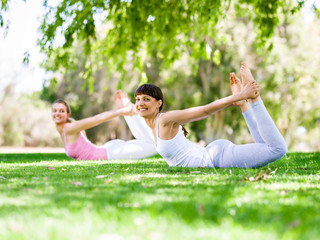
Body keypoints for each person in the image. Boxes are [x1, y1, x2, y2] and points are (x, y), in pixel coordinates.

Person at [133, 63, 287, 168]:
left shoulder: (165, 120)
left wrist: (241, 95)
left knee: (277, 149)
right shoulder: (152, 126)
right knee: (264, 147)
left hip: (216, 158)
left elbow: (205, 110)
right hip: (212, 152)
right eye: (138, 99)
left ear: (158, 103)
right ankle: (245, 105)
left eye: (146, 99)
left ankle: (254, 98)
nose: (140, 103)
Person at [51, 91, 156, 160]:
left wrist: (120, 111)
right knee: (147, 142)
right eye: (55, 111)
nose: (57, 113)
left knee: (154, 145)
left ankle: (129, 111)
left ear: (67, 114)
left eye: (61, 111)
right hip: (107, 148)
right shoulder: (64, 131)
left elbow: (97, 119)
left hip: (112, 154)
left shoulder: (70, 127)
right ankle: (129, 113)